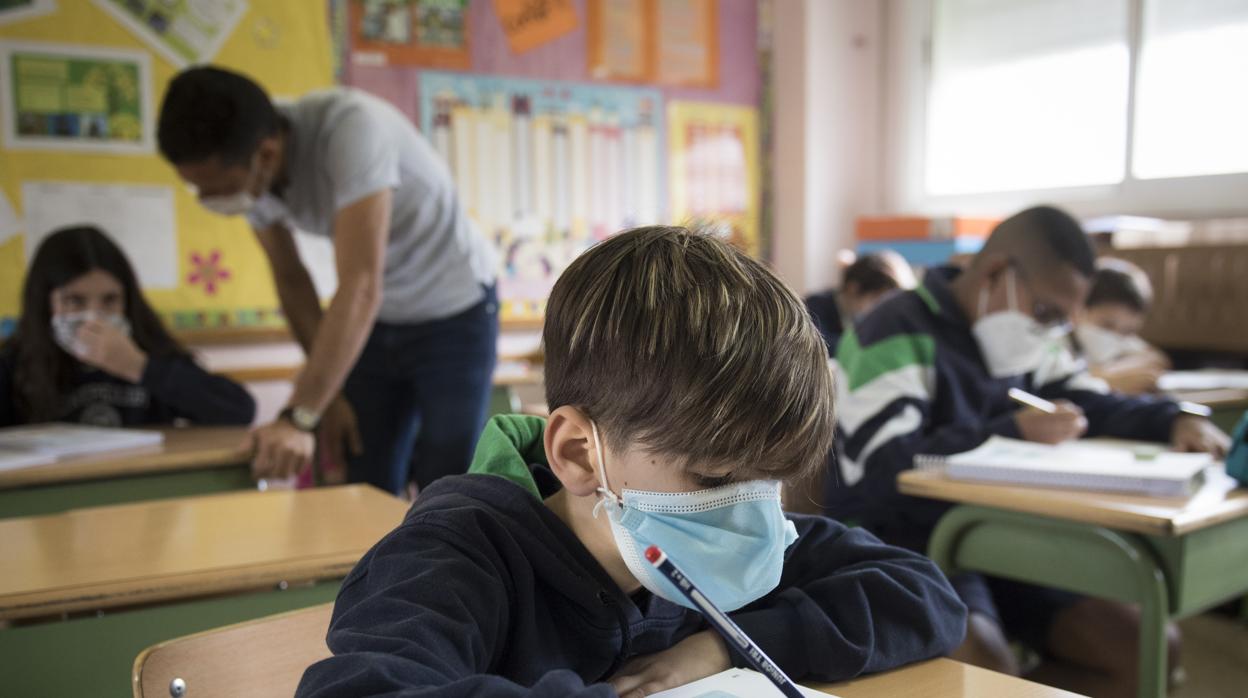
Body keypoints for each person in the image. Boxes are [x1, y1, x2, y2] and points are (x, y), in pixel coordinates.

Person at [295, 226, 967, 697]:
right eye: (715, 477)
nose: (752, 509)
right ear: (578, 453)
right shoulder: (458, 555)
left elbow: (925, 596)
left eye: (773, 477)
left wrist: (721, 647)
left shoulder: (732, 538)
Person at [828, 206, 1228, 698]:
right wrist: (1010, 431)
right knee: (988, 671)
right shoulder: (895, 329)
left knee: (1144, 648)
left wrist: (1174, 418)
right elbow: (881, 468)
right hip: (903, 540)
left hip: (1004, 536)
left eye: (1062, 321)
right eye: (1046, 314)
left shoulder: (1030, 340)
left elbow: (1088, 400)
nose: (1050, 331)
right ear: (997, 273)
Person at [156, 66, 498, 494]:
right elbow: (291, 280)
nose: (209, 201)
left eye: (217, 188)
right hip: (377, 319)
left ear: (265, 155)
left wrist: (299, 414)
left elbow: (359, 284)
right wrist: (325, 397)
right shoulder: (250, 167)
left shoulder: (351, 131)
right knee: (362, 469)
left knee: (448, 476)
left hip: (453, 308)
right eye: (198, 190)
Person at [0, 225, 255, 427]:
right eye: (74, 301)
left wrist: (137, 366)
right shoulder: (15, 363)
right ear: (45, 304)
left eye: (110, 300)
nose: (94, 316)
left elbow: (239, 410)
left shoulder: (149, 350)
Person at [1074, 258, 1170, 395]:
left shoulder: (1124, 341)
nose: (1115, 336)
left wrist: (1111, 371)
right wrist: (1106, 380)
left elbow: (1157, 358)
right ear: (1078, 311)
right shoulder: (1060, 344)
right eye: (1106, 325)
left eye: (1127, 331)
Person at [805, 250, 917, 356]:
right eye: (878, 300)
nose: (883, 309)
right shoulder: (814, 308)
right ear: (852, 288)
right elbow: (817, 348)